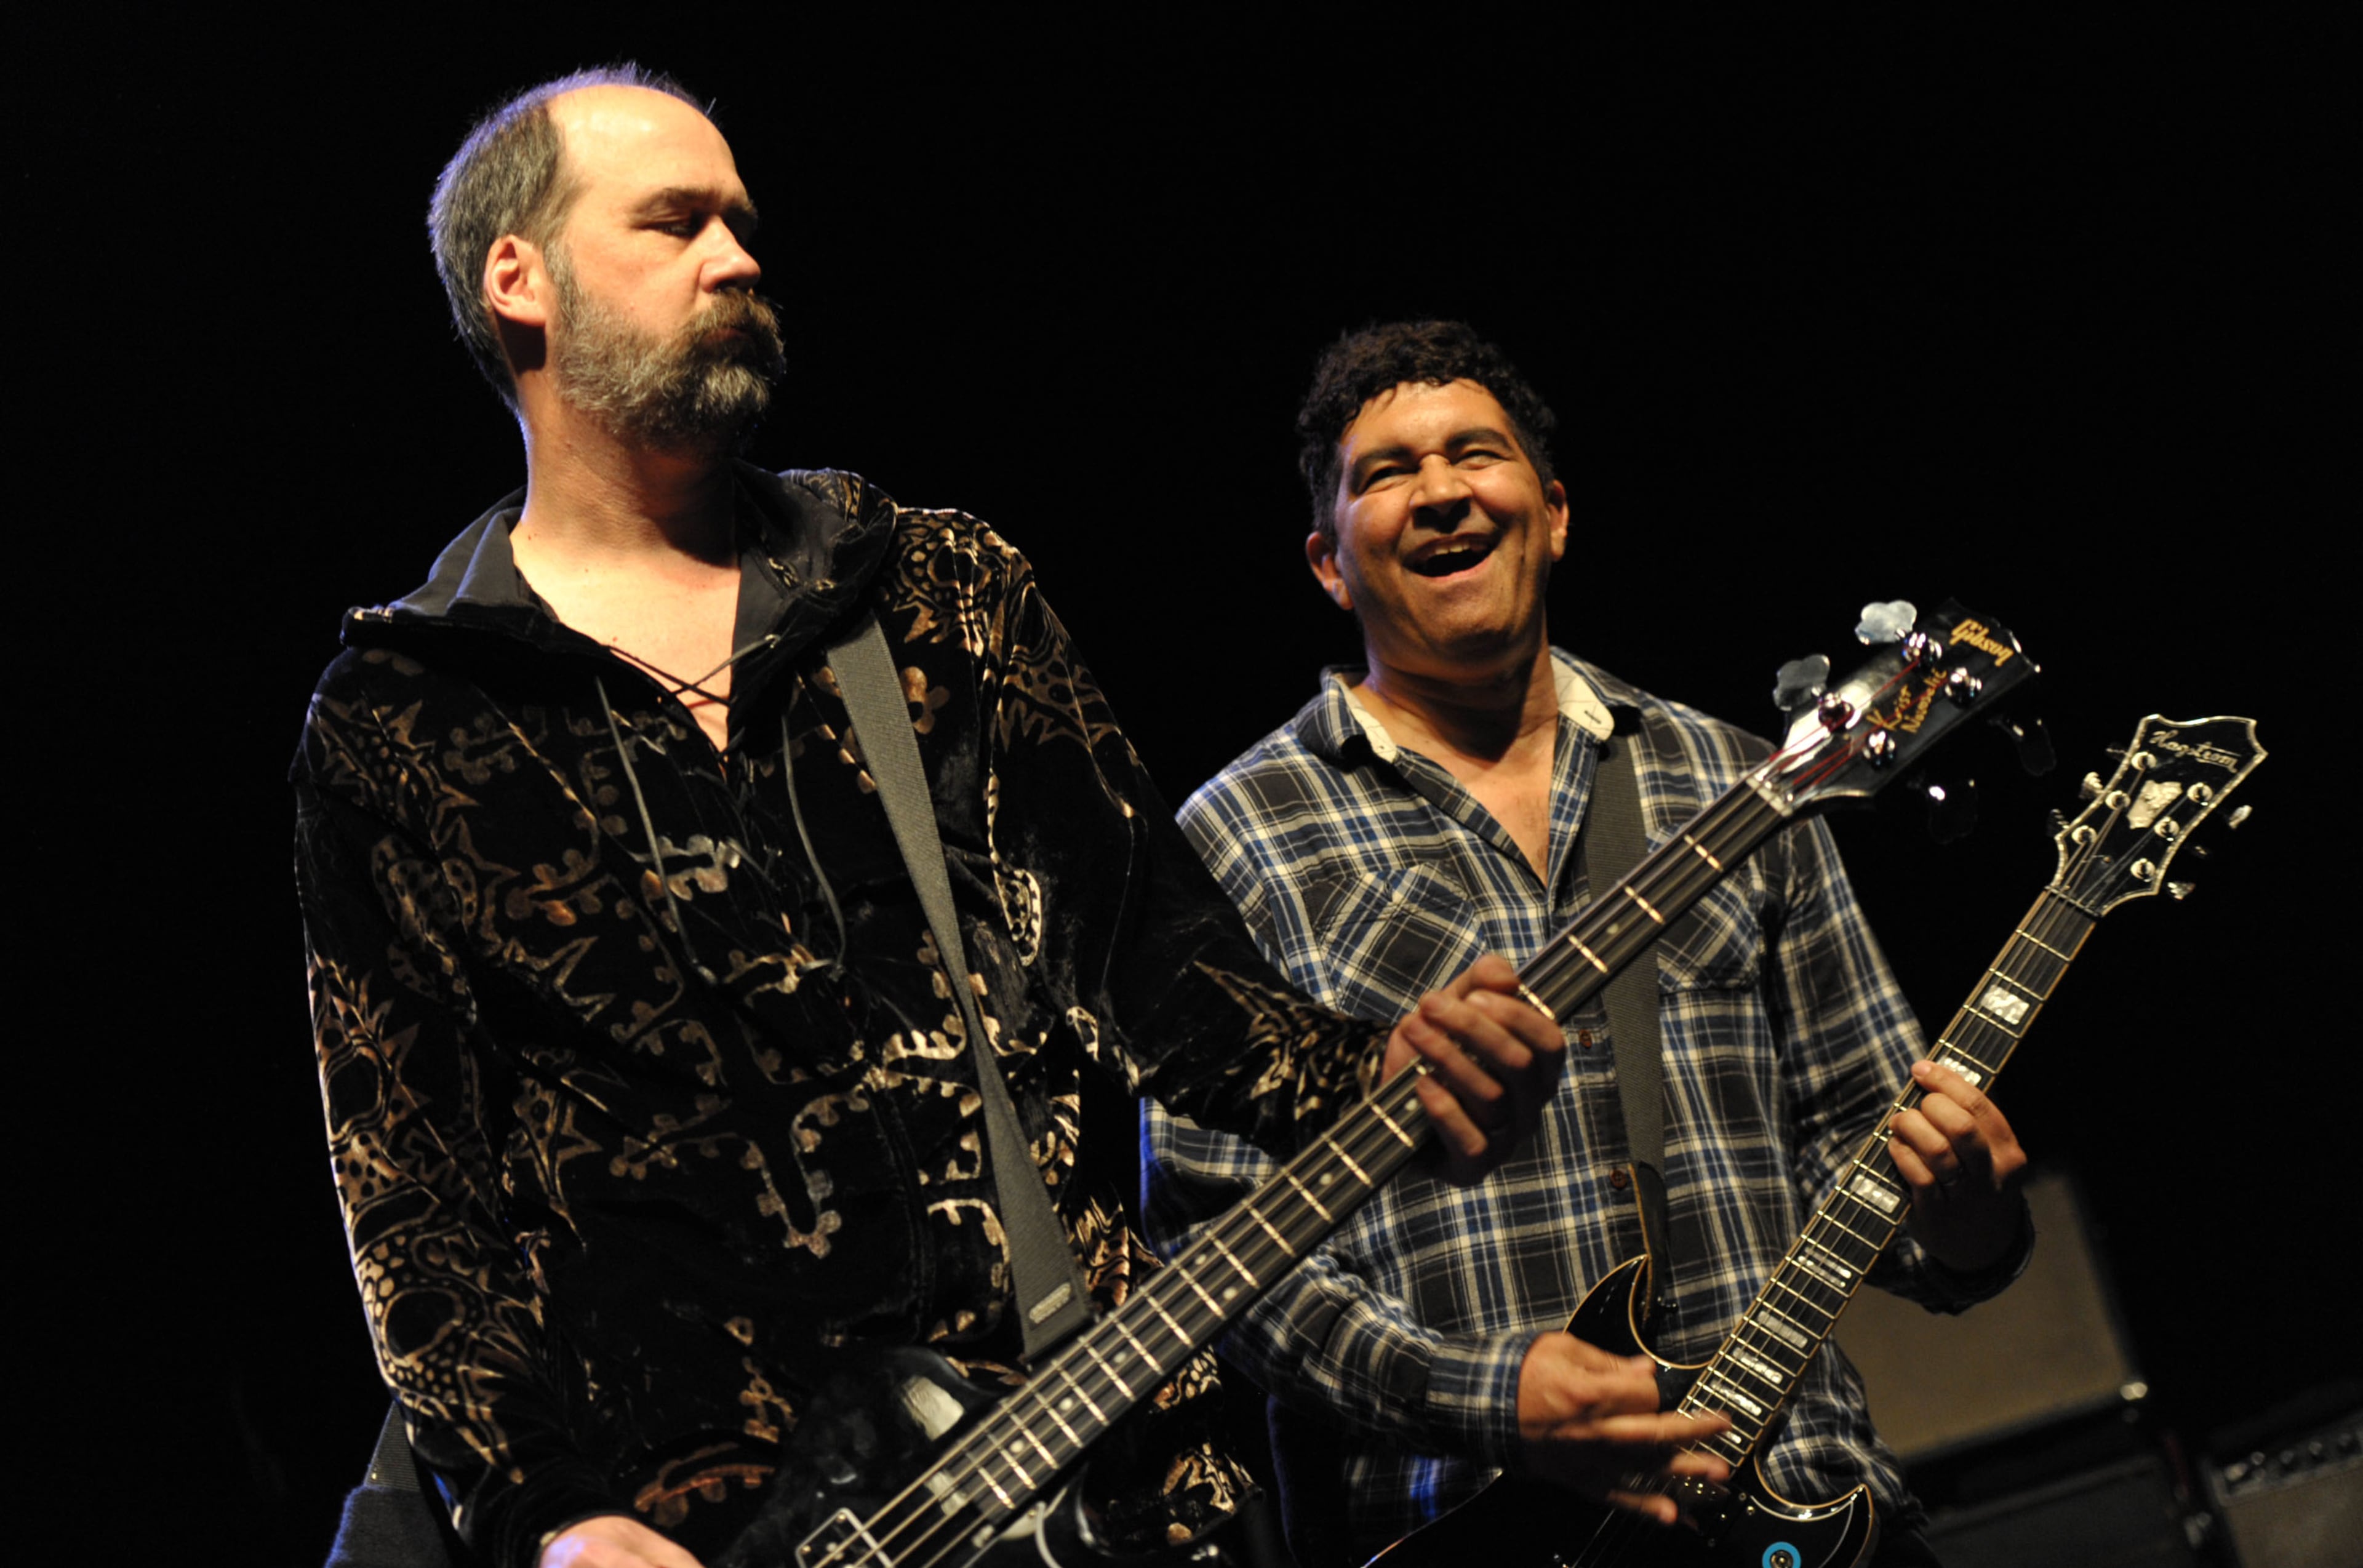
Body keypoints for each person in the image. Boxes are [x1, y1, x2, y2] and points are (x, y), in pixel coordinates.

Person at [293, 82, 1564, 1568]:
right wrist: (555, 1515)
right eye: (676, 221)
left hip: (1101, 1471)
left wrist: (1380, 1062)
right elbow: (416, 1193)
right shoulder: (407, 713)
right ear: (522, 281)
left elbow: (1163, 971)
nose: (738, 256)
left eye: (745, 226)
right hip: (710, 1529)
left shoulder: (932, 588)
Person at [1142, 321, 2033, 1567]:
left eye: (1475, 455)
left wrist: (1970, 1224)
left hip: (1808, 1507)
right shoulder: (1231, 841)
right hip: (1459, 1526)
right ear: (1328, 563)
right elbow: (1208, 1248)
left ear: (1552, 512)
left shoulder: (1741, 781)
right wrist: (1488, 1394)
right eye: (1388, 473)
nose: (1443, 490)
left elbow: (1865, 1147)